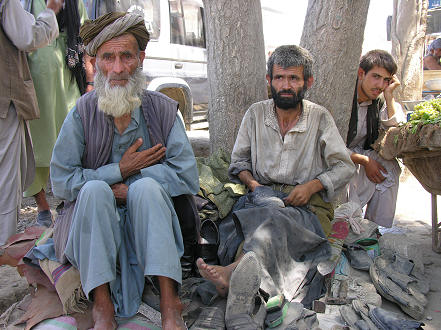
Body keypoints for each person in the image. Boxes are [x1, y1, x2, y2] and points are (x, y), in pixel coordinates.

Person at [50, 12, 199, 329]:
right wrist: (116, 170)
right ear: (94, 62)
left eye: (126, 56)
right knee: (93, 190)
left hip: (150, 221)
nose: (117, 69)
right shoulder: (82, 113)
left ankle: (169, 301)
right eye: (108, 57)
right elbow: (62, 182)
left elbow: (186, 174)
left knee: (144, 189)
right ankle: (101, 304)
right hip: (93, 224)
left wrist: (131, 186)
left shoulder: (161, 109)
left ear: (140, 58)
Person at [196, 45, 355, 328]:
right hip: (259, 196)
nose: (286, 85)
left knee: (274, 221)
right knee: (251, 221)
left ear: (308, 82)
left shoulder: (319, 118)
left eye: (294, 78)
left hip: (306, 204)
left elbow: (345, 166)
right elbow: (238, 162)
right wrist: (255, 186)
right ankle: (237, 277)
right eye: (279, 78)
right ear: (269, 80)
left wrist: (312, 185)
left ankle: (230, 275)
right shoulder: (255, 114)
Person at [23, 0, 92, 226]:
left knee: (73, 139)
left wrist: (89, 82)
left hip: (70, 77)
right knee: (37, 144)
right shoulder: (27, 3)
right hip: (36, 81)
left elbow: (85, 39)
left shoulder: (75, 3)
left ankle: (68, 201)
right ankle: (42, 205)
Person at [0, 0, 61, 246]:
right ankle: (3, 245)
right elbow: (28, 37)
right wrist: (50, 12)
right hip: (4, 98)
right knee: (6, 178)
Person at [346, 49, 405, 228]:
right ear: (361, 73)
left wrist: (389, 96)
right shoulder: (345, 98)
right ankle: (348, 225)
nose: (380, 85)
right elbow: (329, 145)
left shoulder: (378, 99)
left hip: (362, 153)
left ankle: (374, 229)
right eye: (376, 77)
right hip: (338, 155)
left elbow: (395, 132)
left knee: (391, 168)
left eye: (386, 80)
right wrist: (365, 161)